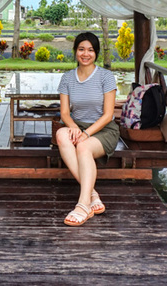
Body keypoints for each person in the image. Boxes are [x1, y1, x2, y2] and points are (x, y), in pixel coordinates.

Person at [56, 32, 120, 226]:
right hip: (79, 125)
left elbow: (108, 115)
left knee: (83, 147)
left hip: (104, 129)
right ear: (75, 51)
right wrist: (75, 128)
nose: (85, 54)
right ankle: (92, 194)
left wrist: (85, 134)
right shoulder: (67, 78)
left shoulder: (106, 76)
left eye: (90, 50)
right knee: (61, 134)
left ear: (96, 53)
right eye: (81, 49)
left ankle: (83, 205)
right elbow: (65, 113)